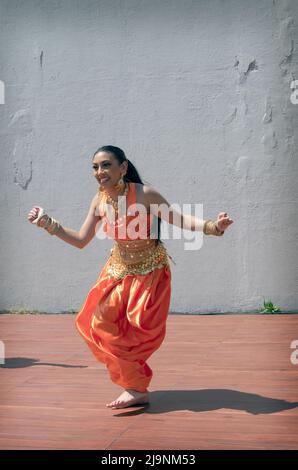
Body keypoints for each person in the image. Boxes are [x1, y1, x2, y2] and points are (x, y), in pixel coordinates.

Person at [27, 145, 234, 409]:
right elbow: (80, 240)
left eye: (105, 165)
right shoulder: (99, 201)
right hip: (116, 272)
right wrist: (48, 223)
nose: (99, 172)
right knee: (98, 325)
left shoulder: (145, 194)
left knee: (138, 332)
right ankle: (135, 386)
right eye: (95, 167)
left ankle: (135, 387)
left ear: (122, 167)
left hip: (150, 274)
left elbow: (179, 220)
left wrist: (213, 227)